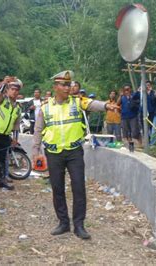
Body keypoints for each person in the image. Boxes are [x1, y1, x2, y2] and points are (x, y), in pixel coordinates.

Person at [33, 72, 118, 240]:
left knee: (79, 187)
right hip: (54, 153)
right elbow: (37, 130)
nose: (67, 88)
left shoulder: (78, 102)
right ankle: (63, 223)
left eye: (69, 85)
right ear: (55, 87)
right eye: (64, 85)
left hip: (74, 153)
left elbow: (93, 104)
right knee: (57, 188)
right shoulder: (45, 107)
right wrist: (36, 152)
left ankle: (79, 225)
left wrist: (107, 106)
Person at [0, 76, 22, 191]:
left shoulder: (18, 107)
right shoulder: (1, 100)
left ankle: (2, 181)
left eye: (17, 90)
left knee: (2, 160)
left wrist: (15, 138)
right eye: (12, 89)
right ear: (7, 90)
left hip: (5, 137)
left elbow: (16, 125)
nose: (14, 92)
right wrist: (4, 84)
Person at [118, 84, 141, 150]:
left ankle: (140, 143)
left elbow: (139, 101)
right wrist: (120, 95)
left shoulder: (134, 96)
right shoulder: (122, 97)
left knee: (135, 132)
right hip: (124, 117)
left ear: (130, 89)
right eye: (125, 89)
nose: (127, 91)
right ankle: (130, 146)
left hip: (133, 116)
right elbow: (117, 103)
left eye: (128, 89)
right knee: (126, 132)